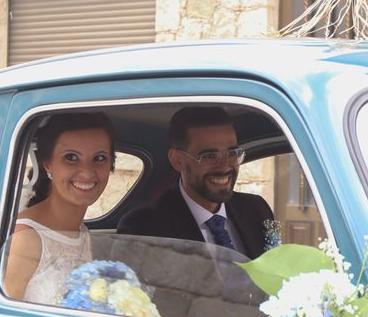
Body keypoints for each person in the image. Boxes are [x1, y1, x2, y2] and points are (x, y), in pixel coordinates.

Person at [117, 106, 273, 259]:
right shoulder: (143, 227)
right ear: (177, 160)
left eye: (232, 153)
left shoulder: (256, 209)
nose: (225, 166)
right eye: (209, 156)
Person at [3, 112, 116, 303]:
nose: (87, 172)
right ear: (48, 165)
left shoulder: (82, 233)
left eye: (99, 158)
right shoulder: (26, 238)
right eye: (71, 157)